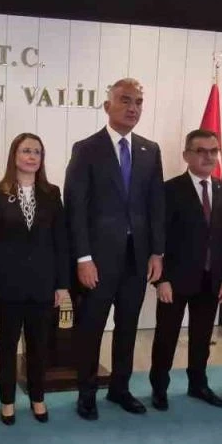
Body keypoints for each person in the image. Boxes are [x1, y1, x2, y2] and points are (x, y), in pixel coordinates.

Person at [64, 78, 166, 420]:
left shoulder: (150, 150)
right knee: (91, 327)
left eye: (138, 102)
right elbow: (75, 206)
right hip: (97, 260)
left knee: (127, 326)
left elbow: (156, 205)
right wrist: (83, 257)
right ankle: (87, 393)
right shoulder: (86, 149)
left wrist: (157, 252)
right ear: (108, 106)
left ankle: (120, 389)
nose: (132, 107)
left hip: (137, 258)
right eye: (125, 100)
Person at [0, 133, 69, 425]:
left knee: (39, 346)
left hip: (43, 285)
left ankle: (37, 397)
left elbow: (60, 241)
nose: (32, 156)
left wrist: (61, 283)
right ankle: (7, 401)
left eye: (37, 152)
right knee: (6, 347)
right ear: (14, 156)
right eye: (26, 151)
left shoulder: (52, 194)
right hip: (7, 286)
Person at [148, 129, 222, 411]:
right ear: (186, 155)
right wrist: (161, 280)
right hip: (174, 280)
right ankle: (159, 387)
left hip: (212, 279)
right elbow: (157, 237)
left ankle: (198, 384)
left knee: (202, 337)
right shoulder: (169, 190)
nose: (208, 156)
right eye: (201, 151)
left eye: (213, 151)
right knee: (166, 336)